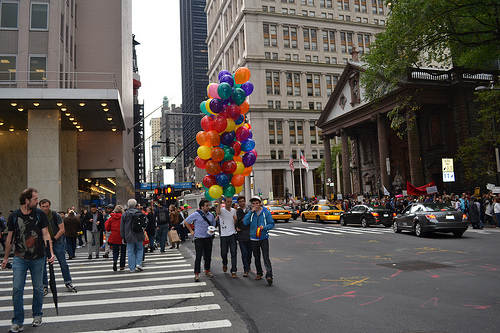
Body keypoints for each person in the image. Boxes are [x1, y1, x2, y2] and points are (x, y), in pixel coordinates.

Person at [1, 188, 55, 332]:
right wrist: (6, 258)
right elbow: (10, 238)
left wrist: (50, 252)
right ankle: (17, 321)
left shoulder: (40, 214)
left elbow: (46, 234)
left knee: (38, 288)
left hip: (38, 257)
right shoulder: (14, 216)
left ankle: (37, 315)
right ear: (27, 201)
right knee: (17, 288)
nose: (38, 201)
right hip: (19, 257)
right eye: (35, 199)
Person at [39, 199, 77, 294]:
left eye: (47, 206)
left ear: (50, 206)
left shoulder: (55, 215)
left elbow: (62, 229)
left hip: (56, 242)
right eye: (43, 206)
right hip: (43, 242)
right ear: (40, 207)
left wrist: (53, 239)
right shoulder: (38, 216)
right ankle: (44, 285)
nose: (45, 208)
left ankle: (68, 282)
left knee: (63, 263)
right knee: (42, 265)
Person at [243, 196, 275, 285]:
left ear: (260, 203)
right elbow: (245, 222)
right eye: (253, 204)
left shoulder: (266, 212)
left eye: (257, 203)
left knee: (266, 257)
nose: (255, 205)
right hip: (253, 238)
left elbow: (272, 224)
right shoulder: (251, 213)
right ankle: (259, 273)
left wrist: (264, 228)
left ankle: (269, 275)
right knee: (256, 257)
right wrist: (251, 212)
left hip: (263, 237)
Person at [184, 199, 217, 282]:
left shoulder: (211, 215)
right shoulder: (196, 214)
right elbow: (186, 221)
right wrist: (191, 231)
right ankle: (197, 273)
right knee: (198, 256)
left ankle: (207, 270)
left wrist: (212, 231)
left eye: (208, 205)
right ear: (202, 207)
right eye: (206, 206)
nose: (208, 207)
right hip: (199, 238)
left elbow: (213, 225)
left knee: (208, 255)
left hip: (208, 237)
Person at [120, 198, 145, 272]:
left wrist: (123, 236)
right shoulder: (140, 212)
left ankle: (132, 268)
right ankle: (139, 263)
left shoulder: (125, 214)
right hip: (139, 233)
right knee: (140, 249)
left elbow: (122, 226)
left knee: (130, 251)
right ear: (135, 205)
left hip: (129, 235)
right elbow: (146, 221)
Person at [216, 196, 238, 278]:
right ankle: (224, 263)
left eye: (230, 202)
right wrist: (219, 201)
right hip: (224, 235)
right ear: (225, 202)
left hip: (232, 233)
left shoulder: (233, 211)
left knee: (233, 252)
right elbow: (217, 212)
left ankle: (234, 270)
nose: (229, 203)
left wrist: (235, 220)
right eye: (228, 202)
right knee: (224, 253)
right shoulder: (222, 210)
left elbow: (235, 222)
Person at [105, 205, 126, 271]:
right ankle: (122, 265)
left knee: (115, 251)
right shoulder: (124, 217)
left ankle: (115, 261)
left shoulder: (111, 218)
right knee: (123, 251)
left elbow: (107, 227)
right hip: (122, 236)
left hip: (114, 236)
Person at [236, 195, 252, 277]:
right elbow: (237, 221)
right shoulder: (238, 211)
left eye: (243, 201)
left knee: (249, 252)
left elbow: (249, 220)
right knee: (244, 253)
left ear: (245, 201)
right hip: (241, 235)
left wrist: (243, 220)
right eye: (240, 202)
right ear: (238, 203)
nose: (242, 203)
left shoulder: (249, 210)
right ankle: (246, 269)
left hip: (249, 234)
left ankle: (248, 265)